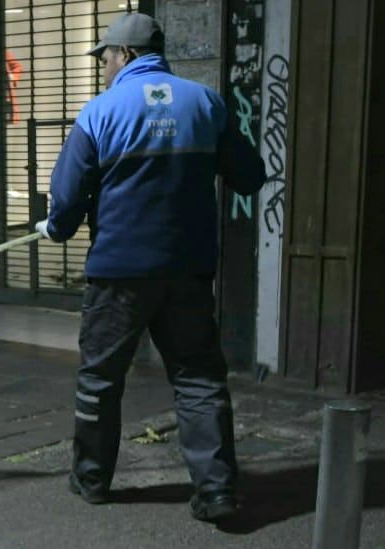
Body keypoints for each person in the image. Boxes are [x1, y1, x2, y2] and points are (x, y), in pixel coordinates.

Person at [35, 12, 265, 522]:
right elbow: (250, 176)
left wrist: (55, 227)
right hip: (188, 271)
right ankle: (217, 491)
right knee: (199, 378)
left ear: (127, 55)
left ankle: (92, 480)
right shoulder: (206, 103)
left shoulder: (100, 112)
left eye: (106, 58)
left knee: (100, 379)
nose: (104, 68)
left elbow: (67, 197)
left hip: (118, 274)